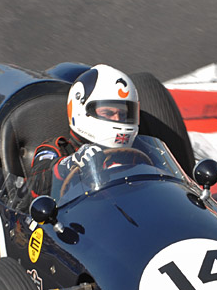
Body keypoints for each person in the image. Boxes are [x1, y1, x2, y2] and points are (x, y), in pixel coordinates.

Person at [29, 64, 139, 197]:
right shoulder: (57, 149)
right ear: (81, 110)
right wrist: (70, 164)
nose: (117, 119)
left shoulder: (138, 150)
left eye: (123, 115)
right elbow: (36, 183)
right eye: (108, 112)